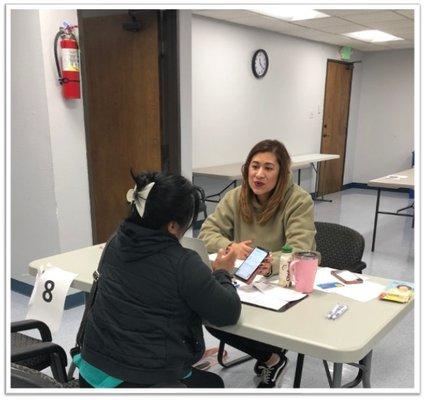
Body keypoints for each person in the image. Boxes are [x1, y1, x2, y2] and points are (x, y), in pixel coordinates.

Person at [75, 171, 241, 388]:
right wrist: (222, 272)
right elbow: (228, 312)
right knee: (213, 385)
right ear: (172, 226)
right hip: (134, 382)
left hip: (90, 373)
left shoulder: (115, 242)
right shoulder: (183, 263)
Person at [199, 139, 316, 388]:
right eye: (254, 166)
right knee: (214, 318)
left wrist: (269, 261)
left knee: (258, 323)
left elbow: (301, 248)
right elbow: (207, 232)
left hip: (283, 282)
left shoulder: (298, 200)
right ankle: (271, 357)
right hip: (244, 281)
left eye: (268, 168)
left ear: (282, 173)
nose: (259, 174)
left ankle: (270, 354)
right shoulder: (236, 196)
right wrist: (233, 247)